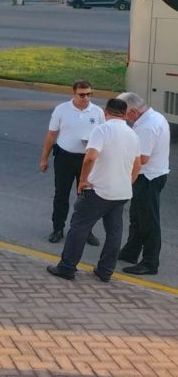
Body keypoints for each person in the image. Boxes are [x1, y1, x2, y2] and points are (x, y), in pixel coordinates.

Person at [47, 98, 140, 282]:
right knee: (114, 232)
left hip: (98, 190)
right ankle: (105, 271)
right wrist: (128, 181)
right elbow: (137, 164)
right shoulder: (132, 134)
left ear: (106, 112)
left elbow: (90, 158)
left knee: (79, 227)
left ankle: (67, 267)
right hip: (121, 192)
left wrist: (83, 180)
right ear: (125, 113)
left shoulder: (102, 130)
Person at [39, 80, 104, 246]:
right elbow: (51, 135)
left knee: (86, 197)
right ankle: (58, 228)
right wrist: (44, 158)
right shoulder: (62, 110)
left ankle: (85, 231)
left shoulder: (97, 112)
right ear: (73, 94)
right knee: (61, 194)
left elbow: (104, 137)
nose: (86, 98)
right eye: (82, 95)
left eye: (89, 94)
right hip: (65, 158)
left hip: (87, 160)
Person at [117, 92, 171, 276]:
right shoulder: (156, 117)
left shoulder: (146, 127)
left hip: (147, 178)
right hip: (152, 175)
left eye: (124, 114)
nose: (123, 118)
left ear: (132, 111)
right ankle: (130, 252)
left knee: (148, 221)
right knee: (137, 217)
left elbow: (143, 158)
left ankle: (150, 262)